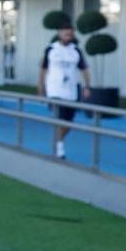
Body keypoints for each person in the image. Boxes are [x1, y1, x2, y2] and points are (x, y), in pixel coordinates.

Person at [39, 22, 90, 159]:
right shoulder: (51, 49)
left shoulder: (76, 50)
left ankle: (58, 141)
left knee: (68, 123)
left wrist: (87, 86)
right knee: (59, 119)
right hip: (55, 90)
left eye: (70, 34)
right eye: (65, 33)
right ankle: (59, 147)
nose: (68, 36)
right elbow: (43, 69)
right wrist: (41, 87)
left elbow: (84, 69)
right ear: (59, 34)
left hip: (71, 91)